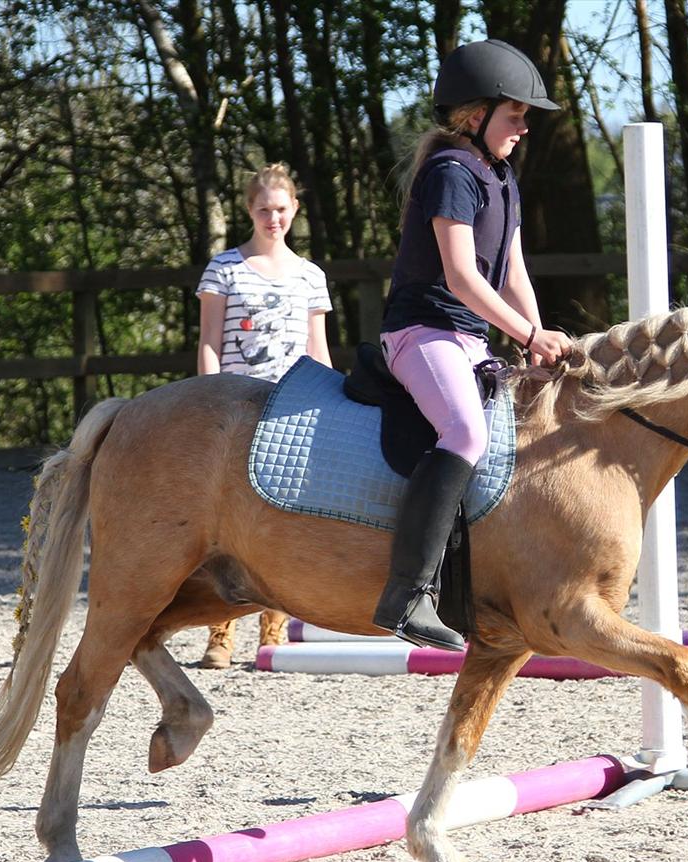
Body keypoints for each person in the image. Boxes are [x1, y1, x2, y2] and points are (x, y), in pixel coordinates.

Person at [373, 39, 573, 652]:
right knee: (464, 433)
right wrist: (528, 334)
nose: (524, 128)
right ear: (475, 114)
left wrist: (538, 338)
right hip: (422, 331)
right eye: (516, 115)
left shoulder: (501, 176)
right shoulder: (450, 173)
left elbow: (512, 272)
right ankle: (407, 594)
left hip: (469, 337)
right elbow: (461, 277)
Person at [196, 162, 332, 668]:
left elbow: (317, 348)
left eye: (280, 209)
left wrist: (328, 401)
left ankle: (273, 626)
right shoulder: (224, 269)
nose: (272, 219)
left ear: (294, 208)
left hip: (292, 406)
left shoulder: (310, 276)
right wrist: (208, 399)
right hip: (236, 408)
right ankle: (220, 631)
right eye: (263, 210)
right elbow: (210, 341)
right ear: (249, 211)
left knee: (283, 519)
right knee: (225, 522)